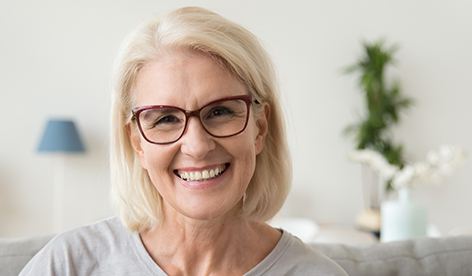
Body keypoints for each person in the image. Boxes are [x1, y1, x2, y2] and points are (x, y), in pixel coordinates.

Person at [20, 7, 347, 275]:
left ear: (259, 128)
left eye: (219, 111)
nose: (197, 145)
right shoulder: (67, 264)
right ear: (136, 142)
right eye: (165, 119)